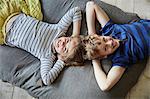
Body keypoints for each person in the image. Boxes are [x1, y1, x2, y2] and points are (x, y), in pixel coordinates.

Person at [2, 7, 82, 85]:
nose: (63, 43)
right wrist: (75, 34)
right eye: (67, 40)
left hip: (6, 33)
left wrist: (61, 62)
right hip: (15, 16)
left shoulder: (47, 57)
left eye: (64, 49)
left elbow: (47, 80)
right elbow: (76, 11)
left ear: (62, 56)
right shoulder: (59, 29)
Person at [85, 1, 150, 91]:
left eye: (104, 39)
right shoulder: (120, 59)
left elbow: (90, 5)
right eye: (105, 48)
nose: (110, 43)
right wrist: (95, 61)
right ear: (104, 56)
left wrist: (92, 34)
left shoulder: (110, 30)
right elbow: (105, 86)